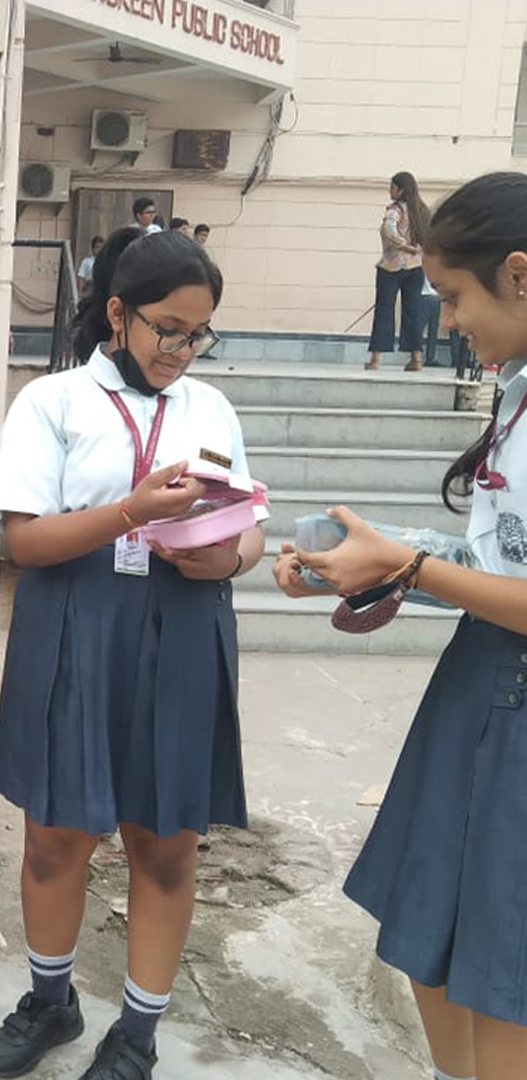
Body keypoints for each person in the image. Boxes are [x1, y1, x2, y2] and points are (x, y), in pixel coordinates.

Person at [0, 227, 265, 1080]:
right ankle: (51, 1001)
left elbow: (249, 528)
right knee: (55, 837)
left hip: (184, 623)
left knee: (166, 841)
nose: (180, 350)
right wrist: (133, 512)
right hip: (76, 620)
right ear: (117, 314)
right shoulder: (53, 402)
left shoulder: (211, 409)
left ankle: (138, 1031)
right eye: (166, 328)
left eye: (197, 334)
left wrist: (231, 560)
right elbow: (24, 543)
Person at [275, 171, 527, 1080]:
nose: (447, 321)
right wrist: (375, 560)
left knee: (502, 971)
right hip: (479, 686)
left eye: (454, 297)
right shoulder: (515, 390)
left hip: (515, 711)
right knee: (433, 933)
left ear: (520, 275)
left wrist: (409, 568)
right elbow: (499, 562)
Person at [365, 171, 430, 372]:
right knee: (413, 311)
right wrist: (418, 250)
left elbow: (389, 229)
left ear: (401, 190)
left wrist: (403, 245)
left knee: (384, 310)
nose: (390, 191)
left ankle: (375, 359)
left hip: (390, 266)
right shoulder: (422, 211)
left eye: (392, 187)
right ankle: (416, 358)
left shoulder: (395, 209)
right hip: (416, 267)